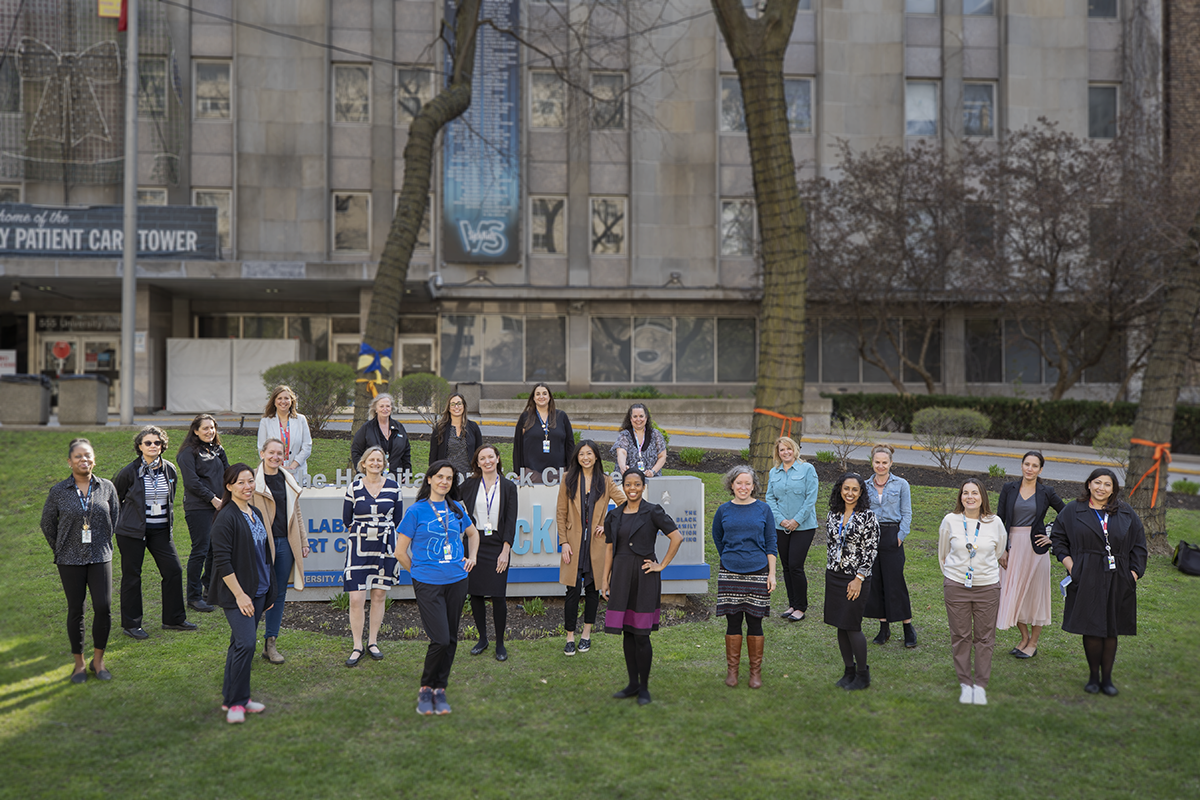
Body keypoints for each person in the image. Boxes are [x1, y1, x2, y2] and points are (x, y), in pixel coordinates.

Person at [1050, 467, 1147, 697]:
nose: (1101, 488)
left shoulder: (1125, 512)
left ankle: (1108, 679)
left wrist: (1133, 573)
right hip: (1087, 575)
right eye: (1097, 483)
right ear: (1089, 484)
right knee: (1092, 627)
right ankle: (1094, 677)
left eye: (1107, 484)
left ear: (1113, 489)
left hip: (1118, 577)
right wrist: (1071, 566)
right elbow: (1058, 538)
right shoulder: (1074, 510)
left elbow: (1139, 544)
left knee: (1111, 629)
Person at [396, 460, 480, 716]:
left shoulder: (456, 508)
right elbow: (400, 552)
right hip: (428, 584)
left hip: (456, 580)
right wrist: (419, 573)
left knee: (452, 638)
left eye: (449, 478)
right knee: (440, 639)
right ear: (430, 479)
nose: (445, 482)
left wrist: (472, 557)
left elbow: (473, 534)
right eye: (440, 477)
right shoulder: (416, 511)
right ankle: (425, 687)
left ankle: (439, 689)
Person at [41, 438, 120, 683]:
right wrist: (62, 549)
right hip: (69, 560)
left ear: (94, 459)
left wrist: (103, 543)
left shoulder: (106, 487)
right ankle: (78, 664)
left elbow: (114, 518)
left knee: (103, 607)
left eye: (88, 456)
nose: (83, 460)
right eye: (78, 457)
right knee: (76, 610)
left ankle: (98, 661)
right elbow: (47, 524)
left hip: (100, 557)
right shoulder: (58, 491)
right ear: (69, 462)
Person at [600, 469, 683, 706]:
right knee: (627, 632)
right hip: (621, 576)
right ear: (623, 486)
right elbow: (608, 549)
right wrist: (605, 579)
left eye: (637, 484)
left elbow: (676, 537)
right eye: (628, 484)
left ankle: (644, 687)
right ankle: (632, 684)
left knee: (641, 635)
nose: (632, 488)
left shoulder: (652, 511)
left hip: (645, 576)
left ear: (643, 486)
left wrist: (661, 565)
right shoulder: (614, 515)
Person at [208, 463, 277, 724]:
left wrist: (268, 591)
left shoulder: (255, 512)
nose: (247, 487)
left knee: (239, 645)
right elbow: (223, 562)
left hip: (258, 590)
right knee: (247, 644)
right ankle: (237, 702)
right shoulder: (226, 517)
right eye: (241, 483)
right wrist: (240, 595)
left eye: (250, 481)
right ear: (229, 486)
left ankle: (235, 698)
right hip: (239, 594)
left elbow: (263, 555)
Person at [113, 426, 196, 639]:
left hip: (160, 531)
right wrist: (124, 521)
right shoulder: (129, 472)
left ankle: (173, 619)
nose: (153, 446)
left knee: (173, 571)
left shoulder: (169, 470)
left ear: (163, 446)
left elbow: (170, 497)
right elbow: (114, 498)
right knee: (132, 577)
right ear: (139, 446)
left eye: (157, 443)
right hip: (132, 533)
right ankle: (131, 625)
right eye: (148, 443)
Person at [938, 478, 1007, 706]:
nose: (970, 497)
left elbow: (999, 551)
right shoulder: (950, 520)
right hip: (957, 586)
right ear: (960, 497)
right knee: (961, 636)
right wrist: (952, 576)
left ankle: (980, 685)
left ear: (982, 497)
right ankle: (965, 683)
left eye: (974, 493)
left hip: (987, 587)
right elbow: (943, 552)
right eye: (965, 493)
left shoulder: (995, 522)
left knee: (985, 638)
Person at [556, 439, 625, 656]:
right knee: (572, 591)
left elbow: (624, 504)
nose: (585, 458)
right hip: (573, 545)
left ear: (596, 456)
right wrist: (564, 542)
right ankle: (569, 636)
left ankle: (586, 634)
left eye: (589, 454)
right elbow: (561, 513)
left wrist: (607, 524)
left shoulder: (605, 481)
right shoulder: (569, 479)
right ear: (577, 457)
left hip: (595, 545)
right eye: (581, 454)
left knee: (593, 591)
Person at [712, 465, 777, 689]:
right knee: (733, 621)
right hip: (730, 572)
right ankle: (732, 671)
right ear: (732, 485)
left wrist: (772, 574)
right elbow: (718, 538)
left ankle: (755, 673)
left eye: (747, 483)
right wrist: (731, 557)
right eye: (739, 483)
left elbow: (771, 544)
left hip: (758, 572)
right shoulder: (723, 510)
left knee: (754, 622)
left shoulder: (764, 510)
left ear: (754, 486)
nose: (743, 487)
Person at [996, 451, 1064, 659]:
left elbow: (1067, 514)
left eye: (1035, 466)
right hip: (1012, 548)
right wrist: (1002, 549)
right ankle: (1023, 638)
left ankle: (1033, 643)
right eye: (1027, 464)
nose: (1030, 468)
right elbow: (999, 521)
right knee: (1010, 593)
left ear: (1040, 469)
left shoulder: (1046, 491)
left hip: (1036, 550)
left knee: (1034, 596)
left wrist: (1053, 538)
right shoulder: (1009, 488)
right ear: (1022, 465)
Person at [341, 446, 401, 667]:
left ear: (384, 464)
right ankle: (357, 645)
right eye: (371, 460)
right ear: (363, 463)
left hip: (385, 546)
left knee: (378, 596)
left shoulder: (394, 487)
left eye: (380, 460)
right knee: (356, 598)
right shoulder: (354, 487)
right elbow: (347, 518)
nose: (376, 463)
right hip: (358, 547)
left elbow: (398, 519)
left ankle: (373, 642)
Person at [252, 438, 309, 665]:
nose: (275, 457)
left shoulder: (288, 479)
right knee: (257, 592)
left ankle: (270, 643)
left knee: (278, 594)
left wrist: (303, 540)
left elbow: (296, 512)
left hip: (285, 543)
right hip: (260, 544)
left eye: (280, 453)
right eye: (271, 452)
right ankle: (246, 641)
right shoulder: (252, 481)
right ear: (262, 453)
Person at [460, 445, 517, 661]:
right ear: (477, 462)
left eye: (490, 457)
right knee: (475, 593)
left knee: (498, 595)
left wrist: (505, 551)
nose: (487, 461)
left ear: (497, 458)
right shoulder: (470, 485)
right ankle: (482, 638)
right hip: (475, 542)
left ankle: (500, 643)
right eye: (482, 458)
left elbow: (511, 521)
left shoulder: (509, 486)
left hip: (497, 546)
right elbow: (453, 500)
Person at [823, 473, 880, 692]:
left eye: (855, 489)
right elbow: (831, 546)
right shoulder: (833, 514)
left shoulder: (868, 517)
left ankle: (863, 675)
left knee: (852, 626)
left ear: (861, 492)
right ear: (840, 489)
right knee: (840, 624)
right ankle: (849, 671)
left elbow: (871, 551)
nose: (850, 493)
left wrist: (858, 579)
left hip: (856, 577)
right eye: (846, 488)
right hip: (834, 576)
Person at [864, 443, 916, 648]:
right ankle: (883, 628)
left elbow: (907, 513)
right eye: (877, 462)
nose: (880, 466)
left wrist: (900, 536)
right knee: (875, 583)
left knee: (895, 582)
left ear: (891, 463)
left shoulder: (901, 484)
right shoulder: (865, 485)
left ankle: (907, 628)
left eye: (884, 462)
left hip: (892, 535)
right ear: (872, 462)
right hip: (871, 536)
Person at [176, 413, 229, 614]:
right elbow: (192, 482)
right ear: (195, 431)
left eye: (212, 427)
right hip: (199, 508)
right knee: (200, 549)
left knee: (215, 550)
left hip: (219, 506)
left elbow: (228, 475)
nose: (210, 431)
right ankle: (194, 596)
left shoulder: (218, 450)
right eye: (205, 428)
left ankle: (210, 591)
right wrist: (213, 499)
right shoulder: (187, 453)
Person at [765, 436, 819, 622]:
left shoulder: (807, 469)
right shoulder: (774, 472)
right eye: (782, 450)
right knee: (786, 567)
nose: (785, 452)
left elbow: (811, 498)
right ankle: (792, 604)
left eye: (788, 449)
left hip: (804, 526)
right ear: (777, 453)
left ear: (794, 450)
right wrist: (781, 520)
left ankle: (801, 607)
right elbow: (770, 498)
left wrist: (796, 520)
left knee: (796, 566)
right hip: (781, 527)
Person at [512, 383, 574, 483]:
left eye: (544, 393)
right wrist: (517, 471)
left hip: (558, 472)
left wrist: (571, 470)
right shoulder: (525, 417)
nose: (541, 397)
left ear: (549, 397)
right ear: (533, 398)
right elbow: (518, 446)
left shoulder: (561, 416)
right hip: (531, 473)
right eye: (538, 394)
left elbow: (570, 445)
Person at [256, 385, 312, 485]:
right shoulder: (266, 421)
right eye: (279, 398)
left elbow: (307, 446)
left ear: (291, 401)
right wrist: (278, 467)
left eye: (286, 398)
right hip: (273, 471)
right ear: (274, 401)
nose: (283, 401)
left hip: (297, 471)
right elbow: (262, 448)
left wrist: (293, 466)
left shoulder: (301, 420)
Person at [349, 392, 411, 479]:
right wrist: (362, 472)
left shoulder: (399, 427)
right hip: (373, 477)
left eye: (388, 406)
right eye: (381, 406)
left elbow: (406, 451)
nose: (385, 409)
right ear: (376, 409)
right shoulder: (367, 428)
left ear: (391, 408)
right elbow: (356, 451)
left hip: (396, 476)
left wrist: (407, 472)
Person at [429, 393, 483, 477]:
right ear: (449, 408)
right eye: (453, 404)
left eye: (459, 403)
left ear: (464, 406)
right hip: (447, 476)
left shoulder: (473, 427)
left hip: (469, 476)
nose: (456, 407)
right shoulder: (440, 428)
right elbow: (433, 455)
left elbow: (480, 452)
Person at [610, 403, 667, 477]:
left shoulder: (656, 434)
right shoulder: (624, 435)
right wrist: (623, 466)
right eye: (635, 416)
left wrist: (653, 471)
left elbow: (662, 456)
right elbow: (621, 452)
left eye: (641, 416)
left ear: (646, 417)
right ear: (630, 419)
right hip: (629, 481)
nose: (638, 419)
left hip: (651, 480)